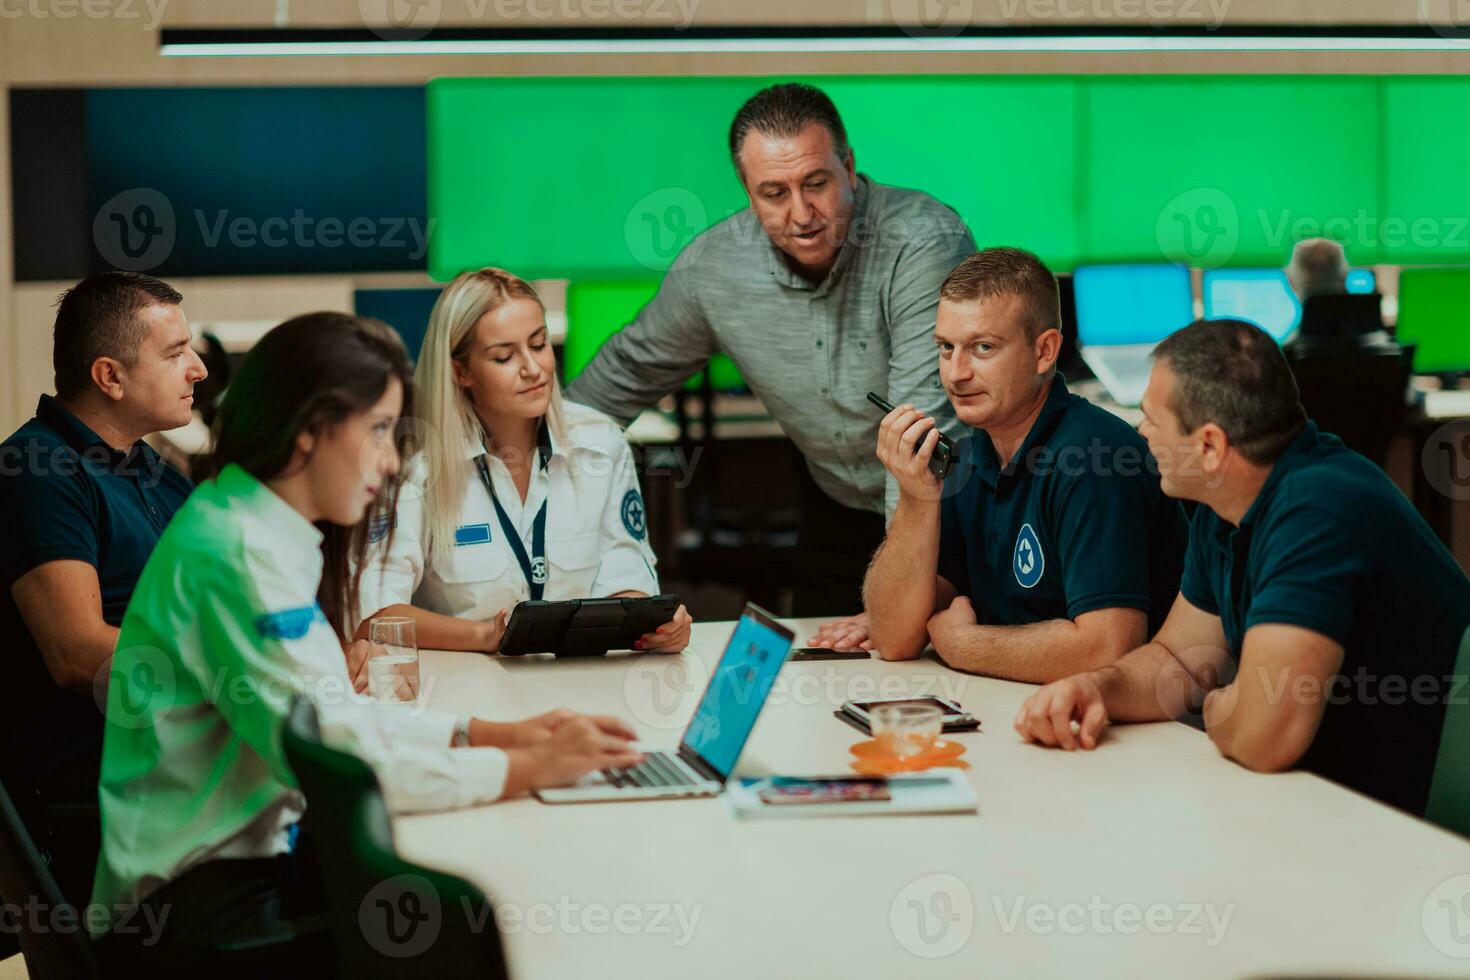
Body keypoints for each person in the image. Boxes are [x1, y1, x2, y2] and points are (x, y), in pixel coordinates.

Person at [90, 313, 643, 971]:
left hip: (242, 869)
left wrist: (499, 734)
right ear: (308, 434)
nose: (390, 458)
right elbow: (343, 765)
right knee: (490, 921)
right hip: (195, 913)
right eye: (379, 431)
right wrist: (529, 769)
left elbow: (338, 720)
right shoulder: (237, 555)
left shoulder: (253, 526)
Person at [1015, 319, 1470, 816]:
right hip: (1331, 801)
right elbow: (1179, 661)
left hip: (1416, 829)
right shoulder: (1225, 503)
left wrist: (1216, 704)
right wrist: (1095, 687)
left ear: (1209, 446)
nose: (1141, 433)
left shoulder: (1317, 509)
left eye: (1152, 419)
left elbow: (1264, 737)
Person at [565, 82, 976, 631]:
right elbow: (620, 377)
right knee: (821, 668)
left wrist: (897, 605)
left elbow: (926, 434)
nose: (802, 213)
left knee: (931, 671)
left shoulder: (922, 239)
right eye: (774, 193)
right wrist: (514, 470)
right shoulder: (715, 270)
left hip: (950, 507)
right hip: (834, 506)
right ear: (746, 189)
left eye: (817, 183)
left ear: (849, 166)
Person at [862, 248, 1187, 680]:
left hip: (1138, 731)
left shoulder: (1095, 459)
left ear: (1044, 351)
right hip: (1020, 711)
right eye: (945, 348)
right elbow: (894, 637)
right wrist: (916, 494)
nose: (956, 373)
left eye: (982, 347)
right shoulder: (969, 456)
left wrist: (964, 644)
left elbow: (1111, 646)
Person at [0, 271, 206, 906]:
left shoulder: (150, 466)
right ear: (110, 377)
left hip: (181, 762)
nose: (198, 369)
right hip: (100, 798)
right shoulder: (37, 471)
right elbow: (79, 654)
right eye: (175, 354)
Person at [357, 268, 691, 656]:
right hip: (468, 692)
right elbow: (375, 615)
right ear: (459, 371)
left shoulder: (602, 444)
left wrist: (654, 627)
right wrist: (486, 636)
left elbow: (627, 578)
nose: (533, 369)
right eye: (504, 356)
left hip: (583, 682)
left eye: (539, 344)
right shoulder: (414, 467)